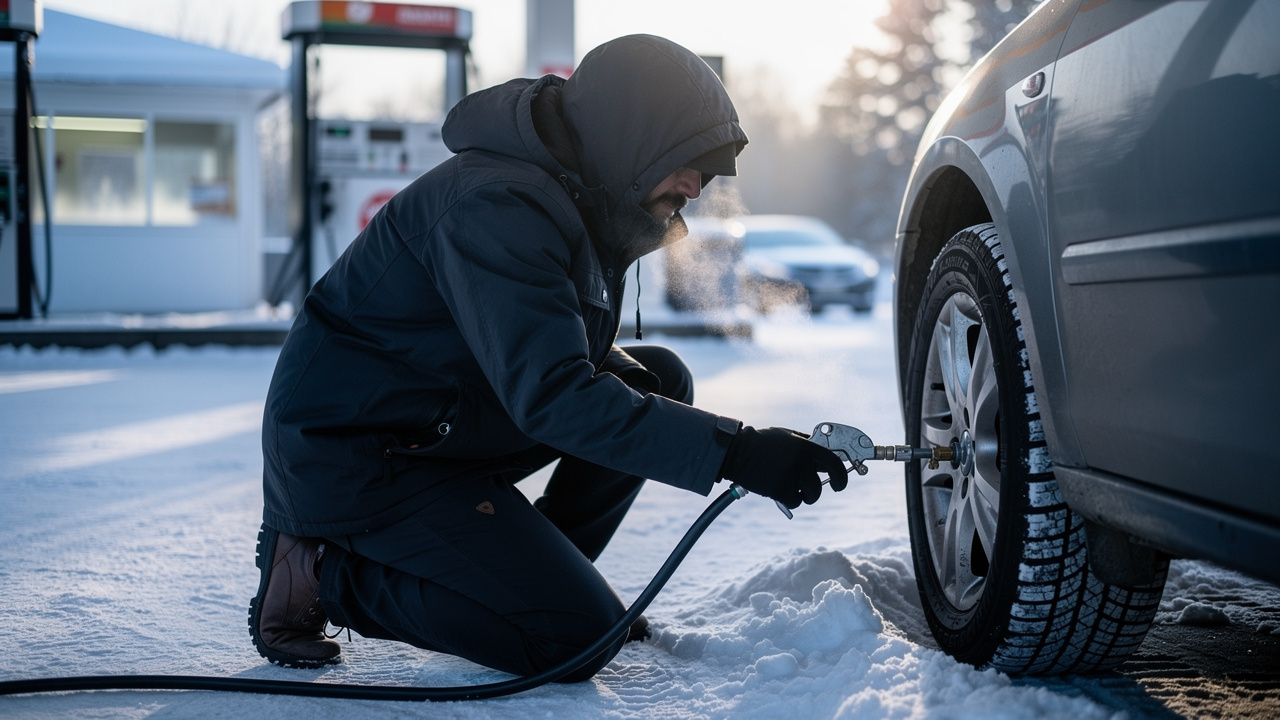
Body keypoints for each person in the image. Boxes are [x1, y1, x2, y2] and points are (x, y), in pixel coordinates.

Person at [249, 34, 849, 680]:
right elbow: (554, 395)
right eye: (688, 162)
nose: (696, 187)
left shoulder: (578, 197)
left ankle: (545, 582)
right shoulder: (498, 204)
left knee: (658, 380)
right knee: (574, 639)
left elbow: (557, 360)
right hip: (359, 454)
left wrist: (722, 442)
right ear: (630, 137)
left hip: (441, 420)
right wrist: (739, 452)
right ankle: (321, 574)